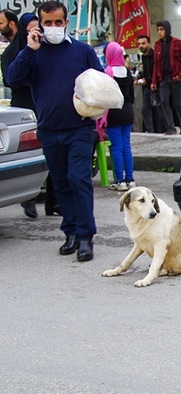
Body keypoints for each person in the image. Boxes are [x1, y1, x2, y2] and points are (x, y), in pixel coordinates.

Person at [5, 0, 104, 262]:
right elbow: (11, 79)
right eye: (47, 23)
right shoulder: (33, 52)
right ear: (39, 23)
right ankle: (70, 232)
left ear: (66, 23)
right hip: (49, 130)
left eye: (57, 22)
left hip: (79, 128)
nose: (53, 27)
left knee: (79, 180)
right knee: (60, 185)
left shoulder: (82, 51)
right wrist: (29, 49)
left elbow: (102, 83)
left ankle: (85, 237)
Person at [1, 12, 62, 218]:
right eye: (30, 30)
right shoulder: (12, 52)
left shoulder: (44, 50)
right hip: (25, 110)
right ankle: (27, 199)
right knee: (29, 155)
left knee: (53, 154)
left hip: (44, 107)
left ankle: (53, 201)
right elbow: (12, 79)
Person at [100, 41, 135, 191]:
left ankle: (119, 180)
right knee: (126, 146)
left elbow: (105, 95)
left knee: (116, 147)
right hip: (127, 111)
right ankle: (130, 179)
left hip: (113, 112)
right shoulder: (127, 71)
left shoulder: (108, 72)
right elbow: (132, 96)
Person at [151, 20, 181, 136]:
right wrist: (154, 81)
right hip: (163, 78)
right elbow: (156, 64)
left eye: (161, 30)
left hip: (175, 77)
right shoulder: (157, 45)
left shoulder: (177, 43)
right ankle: (171, 127)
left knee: (177, 103)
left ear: (167, 30)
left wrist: (180, 75)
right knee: (164, 101)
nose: (159, 32)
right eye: (158, 30)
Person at [136, 34, 154, 133]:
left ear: (149, 44)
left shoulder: (154, 56)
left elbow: (155, 71)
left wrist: (146, 80)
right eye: (139, 44)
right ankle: (151, 130)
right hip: (147, 87)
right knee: (145, 109)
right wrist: (139, 77)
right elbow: (145, 71)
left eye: (143, 43)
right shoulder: (143, 57)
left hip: (156, 86)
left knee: (159, 110)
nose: (141, 46)